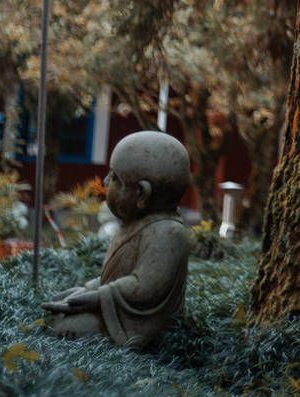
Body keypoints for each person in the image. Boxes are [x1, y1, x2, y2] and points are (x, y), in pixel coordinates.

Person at [44, 131, 190, 348]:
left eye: (113, 177)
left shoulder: (168, 234)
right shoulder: (132, 223)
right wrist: (86, 289)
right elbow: (115, 276)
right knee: (57, 314)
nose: (105, 181)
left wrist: (96, 297)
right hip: (117, 308)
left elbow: (145, 288)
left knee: (70, 328)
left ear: (141, 194)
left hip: (140, 322)